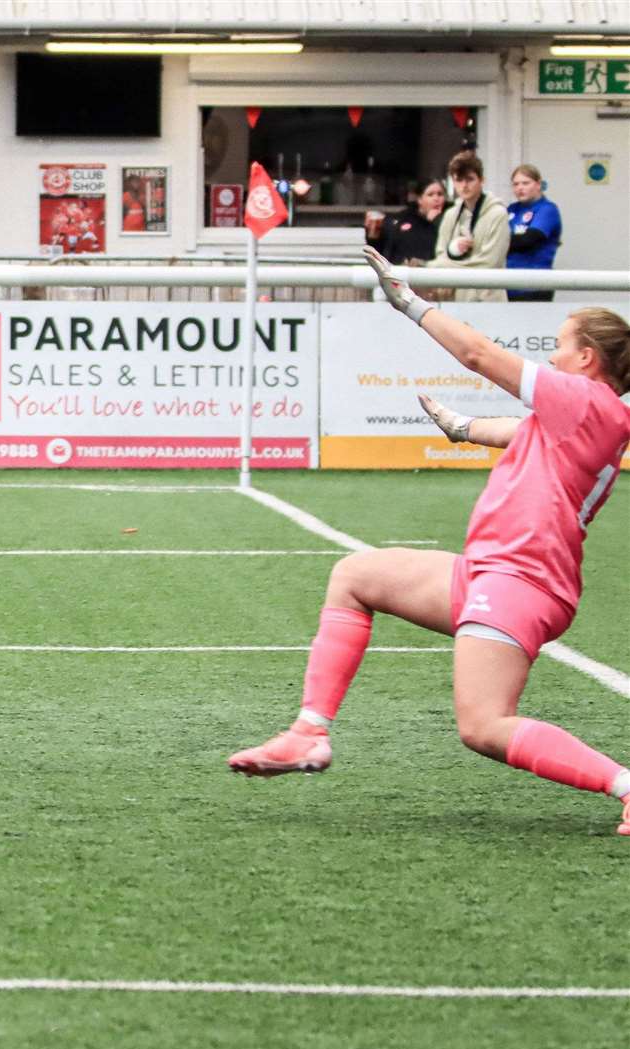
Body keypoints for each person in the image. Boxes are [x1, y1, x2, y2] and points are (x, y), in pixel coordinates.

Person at [230, 245, 630, 836]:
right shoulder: (584, 412)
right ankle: (307, 733)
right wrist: (463, 429)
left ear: (587, 358)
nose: (552, 352)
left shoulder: (586, 400)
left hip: (520, 581)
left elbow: (477, 353)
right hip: (491, 572)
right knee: (355, 576)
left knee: (484, 725)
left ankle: (624, 784)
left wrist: (410, 303)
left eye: (560, 344)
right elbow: (518, 431)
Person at [428, 150, 509, 302]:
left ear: (482, 180)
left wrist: (443, 264)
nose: (464, 186)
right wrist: (450, 254)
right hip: (455, 300)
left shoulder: (498, 214)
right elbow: (441, 253)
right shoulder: (451, 214)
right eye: (458, 180)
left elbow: (489, 262)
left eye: (470, 179)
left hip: (488, 300)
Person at [506, 164, 562, 303]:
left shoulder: (547, 209)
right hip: (508, 284)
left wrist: (498, 242)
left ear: (538, 184)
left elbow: (528, 240)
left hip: (535, 285)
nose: (520, 188)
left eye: (525, 183)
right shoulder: (512, 209)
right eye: (516, 184)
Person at [378, 178, 446, 265]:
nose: (436, 199)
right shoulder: (404, 219)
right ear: (420, 199)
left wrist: (436, 222)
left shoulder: (450, 217)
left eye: (440, 194)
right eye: (430, 195)